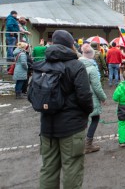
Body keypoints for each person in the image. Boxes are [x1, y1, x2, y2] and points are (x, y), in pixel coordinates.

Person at [39, 30, 93, 189]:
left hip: (47, 126)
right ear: (70, 45)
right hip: (72, 127)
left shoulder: (43, 64)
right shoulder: (76, 66)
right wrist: (86, 113)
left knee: (48, 169)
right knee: (72, 167)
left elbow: (33, 95)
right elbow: (85, 97)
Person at [79, 44, 107, 153]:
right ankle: (88, 145)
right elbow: (96, 86)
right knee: (95, 118)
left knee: (81, 120)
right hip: (90, 97)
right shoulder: (92, 68)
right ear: (92, 55)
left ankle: (79, 143)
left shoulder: (77, 64)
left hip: (78, 96)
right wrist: (103, 98)